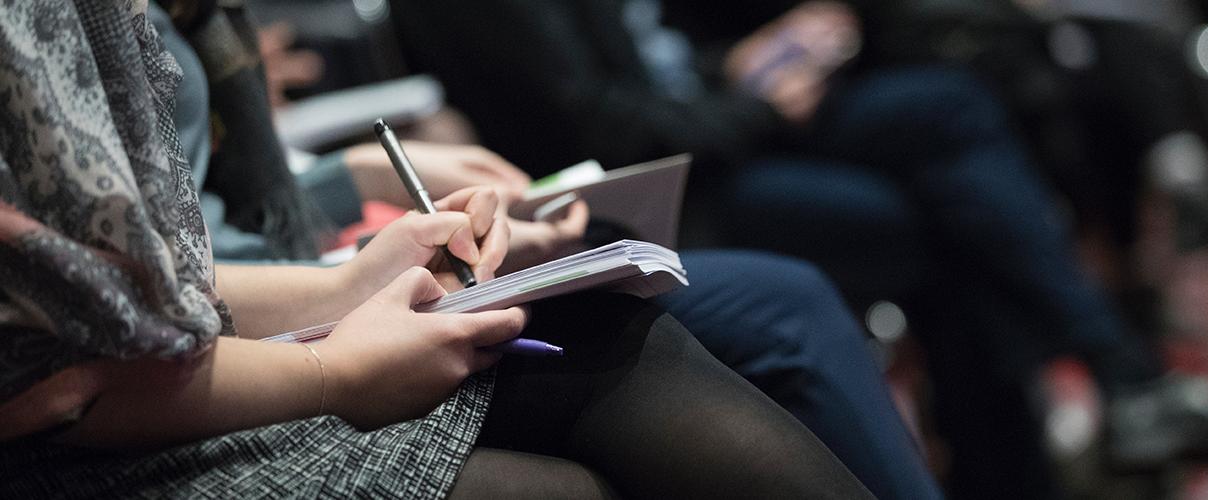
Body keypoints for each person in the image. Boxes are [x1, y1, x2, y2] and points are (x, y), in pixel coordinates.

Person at [389, 0, 1208, 496]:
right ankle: (1093, 406)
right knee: (935, 225)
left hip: (713, 129)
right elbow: (600, 123)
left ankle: (1103, 397)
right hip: (641, 196)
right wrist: (750, 103)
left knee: (954, 107)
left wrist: (761, 59)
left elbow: (656, 64)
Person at [0, 1, 879, 498]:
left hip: (219, 331)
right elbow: (61, 369)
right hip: (103, 439)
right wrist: (332, 366)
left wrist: (350, 280)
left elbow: (161, 272)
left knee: (617, 330)